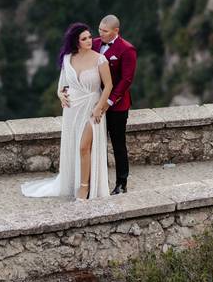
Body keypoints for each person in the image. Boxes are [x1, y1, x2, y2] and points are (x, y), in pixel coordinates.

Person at [21, 23, 113, 200]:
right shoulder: (67, 58)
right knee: (73, 146)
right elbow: (62, 85)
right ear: (76, 42)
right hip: (72, 109)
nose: (89, 40)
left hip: (92, 107)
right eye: (84, 38)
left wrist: (99, 108)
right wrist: (60, 95)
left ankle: (84, 188)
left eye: (89, 37)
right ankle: (74, 181)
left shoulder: (100, 59)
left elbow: (108, 85)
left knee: (84, 147)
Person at [93, 14, 137, 194]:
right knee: (97, 142)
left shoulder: (127, 49)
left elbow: (126, 80)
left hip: (117, 106)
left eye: (105, 31)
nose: (101, 34)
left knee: (118, 144)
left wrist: (109, 101)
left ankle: (121, 183)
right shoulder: (94, 44)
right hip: (95, 103)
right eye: (99, 30)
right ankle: (96, 181)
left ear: (115, 31)